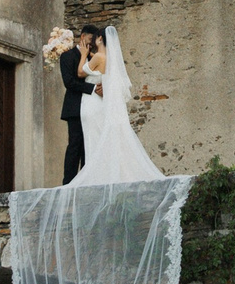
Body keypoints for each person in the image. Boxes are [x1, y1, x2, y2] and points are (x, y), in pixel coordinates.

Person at [70, 25, 165, 185]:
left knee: (93, 136)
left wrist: (84, 55)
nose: (94, 39)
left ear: (100, 39)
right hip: (100, 102)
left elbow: (80, 72)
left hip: (91, 102)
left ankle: (97, 178)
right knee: (99, 136)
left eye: (97, 37)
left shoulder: (98, 57)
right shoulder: (110, 59)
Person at [57, 26, 98, 184]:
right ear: (82, 37)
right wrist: (93, 88)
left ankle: (86, 181)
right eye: (90, 40)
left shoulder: (94, 56)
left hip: (93, 107)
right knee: (75, 144)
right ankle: (69, 182)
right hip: (75, 107)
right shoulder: (67, 56)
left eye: (94, 41)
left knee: (89, 145)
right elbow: (69, 82)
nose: (92, 43)